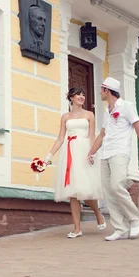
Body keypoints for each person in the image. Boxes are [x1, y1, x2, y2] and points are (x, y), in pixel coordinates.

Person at [87, 77, 139, 241]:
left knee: (117, 185)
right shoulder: (106, 109)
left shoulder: (126, 106)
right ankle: (120, 228)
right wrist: (91, 152)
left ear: (107, 90)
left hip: (120, 152)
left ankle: (135, 219)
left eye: (101, 89)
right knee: (108, 192)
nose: (100, 92)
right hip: (105, 153)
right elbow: (103, 134)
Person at [44, 87, 106, 239]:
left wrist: (92, 152)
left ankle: (98, 213)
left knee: (85, 189)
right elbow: (60, 138)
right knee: (73, 192)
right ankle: (77, 228)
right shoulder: (65, 117)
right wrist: (49, 156)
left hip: (84, 152)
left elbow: (92, 136)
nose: (82, 96)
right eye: (78, 94)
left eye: (83, 94)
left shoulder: (89, 115)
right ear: (71, 97)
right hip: (69, 153)